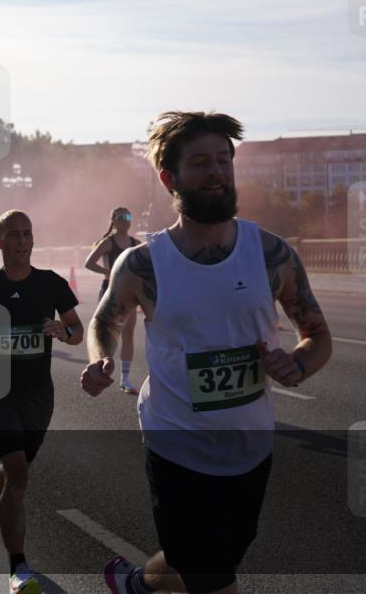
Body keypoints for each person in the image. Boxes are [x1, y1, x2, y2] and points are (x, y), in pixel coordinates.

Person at [80, 111, 332, 594]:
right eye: (201, 162)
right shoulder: (143, 264)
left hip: (251, 444)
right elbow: (106, 321)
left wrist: (297, 363)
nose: (217, 171)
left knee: (201, 561)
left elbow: (318, 334)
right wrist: (100, 358)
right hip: (175, 442)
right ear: (169, 178)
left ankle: (139, 585)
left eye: (224, 160)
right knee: (213, 579)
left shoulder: (270, 254)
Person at [0, 210, 83, 594]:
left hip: (39, 396)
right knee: (20, 476)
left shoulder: (51, 284)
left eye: (27, 234)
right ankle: (18, 568)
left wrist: (63, 331)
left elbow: (76, 329)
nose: (22, 241)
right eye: (13, 235)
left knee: (14, 473)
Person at [84, 207, 142, 393]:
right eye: (120, 217)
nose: (125, 220)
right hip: (110, 292)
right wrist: (109, 272)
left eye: (128, 216)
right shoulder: (108, 243)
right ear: (113, 221)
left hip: (130, 295)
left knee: (128, 334)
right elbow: (89, 262)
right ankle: (101, 372)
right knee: (107, 336)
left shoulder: (136, 243)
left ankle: (125, 379)